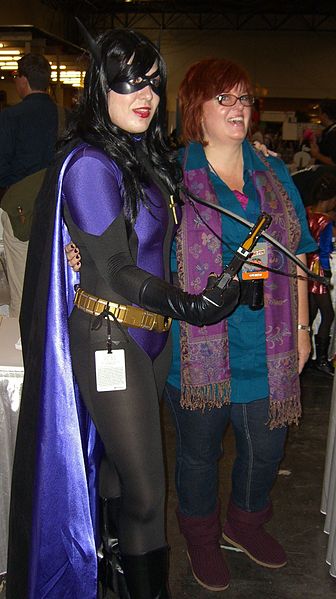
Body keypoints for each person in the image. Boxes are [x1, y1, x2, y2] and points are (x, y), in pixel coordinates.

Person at [6, 31, 240, 599]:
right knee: (145, 493)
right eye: (130, 80)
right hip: (111, 335)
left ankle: (107, 574)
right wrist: (187, 304)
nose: (146, 95)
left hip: (151, 339)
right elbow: (113, 271)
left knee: (114, 471)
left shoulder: (141, 156)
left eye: (152, 82)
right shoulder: (89, 163)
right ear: (100, 86)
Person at [162, 58, 317, 592]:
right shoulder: (171, 175)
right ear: (195, 109)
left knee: (266, 450)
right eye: (223, 98)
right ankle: (202, 537)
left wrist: (302, 331)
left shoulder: (272, 173)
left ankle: (244, 525)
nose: (238, 108)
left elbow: (296, 255)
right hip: (197, 345)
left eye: (244, 98)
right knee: (200, 454)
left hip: (268, 341)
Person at [0, 53, 65, 317]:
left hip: (19, 211)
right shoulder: (66, 116)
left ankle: (21, 352)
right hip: (57, 210)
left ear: (22, 80)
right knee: (51, 286)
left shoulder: (10, 117)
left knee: (21, 290)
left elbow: (1, 168)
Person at [293, 167, 336, 376]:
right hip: (318, 269)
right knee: (328, 314)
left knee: (309, 314)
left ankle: (305, 355)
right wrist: (326, 275)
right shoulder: (326, 221)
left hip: (305, 266)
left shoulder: (306, 211)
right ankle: (321, 359)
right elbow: (326, 249)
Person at [310, 100, 336, 166]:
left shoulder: (333, 134)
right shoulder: (328, 132)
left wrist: (316, 155)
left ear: (325, 116)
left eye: (319, 113)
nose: (319, 116)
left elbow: (334, 163)